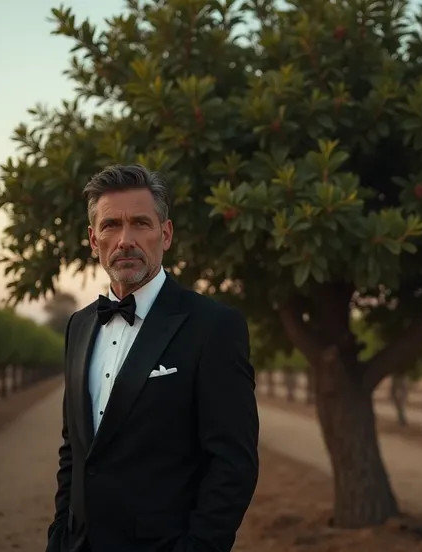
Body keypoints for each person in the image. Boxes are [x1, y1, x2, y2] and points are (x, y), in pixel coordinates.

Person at [45, 164, 260, 552]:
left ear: (166, 233)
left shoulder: (213, 326)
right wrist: (60, 535)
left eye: (140, 223)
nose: (125, 239)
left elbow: (233, 464)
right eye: (111, 226)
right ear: (94, 240)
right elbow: (73, 451)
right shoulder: (78, 326)